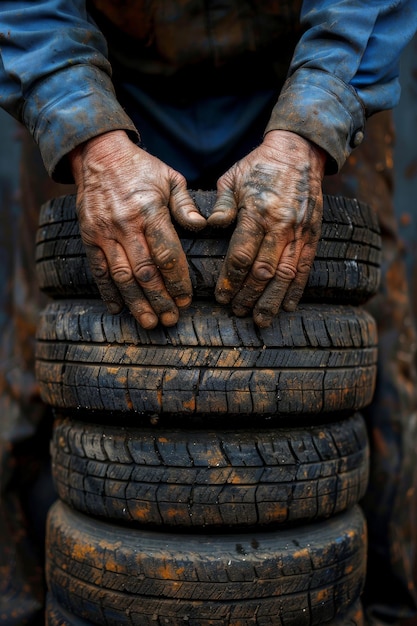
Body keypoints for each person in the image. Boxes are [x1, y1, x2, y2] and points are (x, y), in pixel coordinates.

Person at [0, 1, 417, 624]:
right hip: (102, 75)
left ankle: (392, 603)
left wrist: (313, 125)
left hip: (309, 63)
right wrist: (84, 132)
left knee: (381, 356)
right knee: (33, 358)